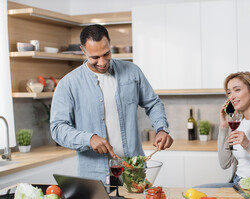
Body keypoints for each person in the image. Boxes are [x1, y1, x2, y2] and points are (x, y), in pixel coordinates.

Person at [50, 24, 173, 184]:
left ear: (109, 44)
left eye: (106, 54)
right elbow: (58, 128)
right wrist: (89, 139)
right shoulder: (68, 84)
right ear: (83, 50)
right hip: (94, 174)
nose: (102, 62)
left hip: (133, 170)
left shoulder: (132, 72)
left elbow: (153, 103)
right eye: (95, 57)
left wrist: (161, 129)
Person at [197, 71, 250, 188]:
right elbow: (224, 163)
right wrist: (224, 127)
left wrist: (247, 144)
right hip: (236, 183)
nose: (232, 96)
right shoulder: (237, 123)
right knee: (196, 193)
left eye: (237, 90)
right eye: (229, 92)